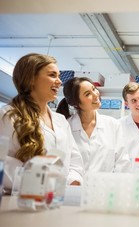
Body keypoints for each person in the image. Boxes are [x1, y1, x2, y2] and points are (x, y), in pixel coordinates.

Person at [0, 53, 84, 191]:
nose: (59, 81)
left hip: (57, 199)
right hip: (22, 202)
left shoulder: (60, 120)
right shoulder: (9, 116)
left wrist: (72, 181)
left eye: (58, 76)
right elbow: (3, 165)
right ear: (31, 79)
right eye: (52, 75)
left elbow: (74, 162)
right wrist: (42, 181)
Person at [56, 77, 130, 173]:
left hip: (105, 187)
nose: (95, 95)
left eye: (94, 89)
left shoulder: (113, 125)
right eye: (87, 94)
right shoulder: (66, 127)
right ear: (76, 103)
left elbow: (122, 162)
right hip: (75, 187)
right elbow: (60, 164)